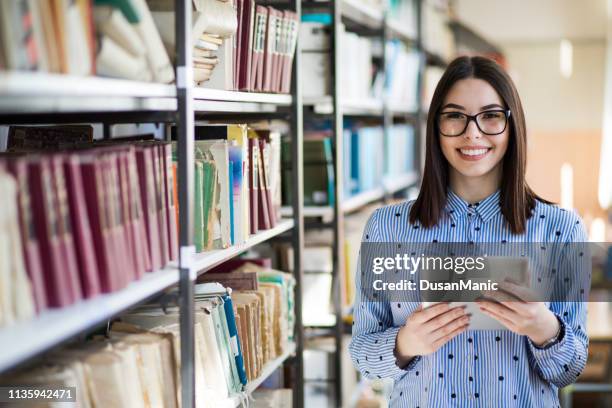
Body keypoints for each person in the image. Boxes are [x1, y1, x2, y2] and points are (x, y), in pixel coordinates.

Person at [349, 56, 589, 407]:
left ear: (512, 126)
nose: (472, 133)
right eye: (455, 116)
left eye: (490, 116)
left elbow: (571, 369)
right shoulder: (386, 228)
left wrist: (544, 328)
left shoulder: (561, 229)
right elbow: (362, 355)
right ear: (436, 126)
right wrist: (405, 343)